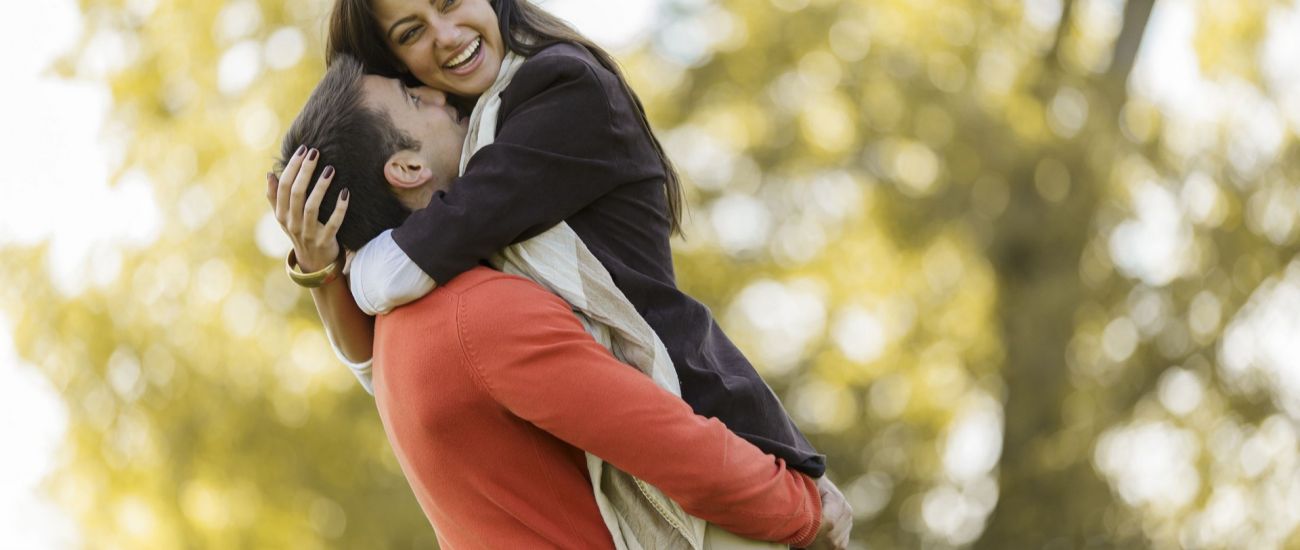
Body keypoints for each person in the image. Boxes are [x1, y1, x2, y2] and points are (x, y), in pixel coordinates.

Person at [269, 0, 853, 545]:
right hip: (707, 470)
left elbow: (414, 268)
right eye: (411, 36)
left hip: (718, 426)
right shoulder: (464, 300)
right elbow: (384, 354)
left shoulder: (562, 91)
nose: (444, 39)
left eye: (448, 0)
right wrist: (322, 272)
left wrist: (346, 268)